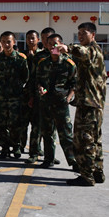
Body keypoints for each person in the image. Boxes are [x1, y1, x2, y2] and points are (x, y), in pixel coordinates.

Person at [57, 22, 107, 187]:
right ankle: (97, 172)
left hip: (89, 105)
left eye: (84, 33)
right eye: (79, 33)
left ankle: (86, 176)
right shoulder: (94, 52)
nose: (80, 36)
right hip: (92, 104)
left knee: (84, 141)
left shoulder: (92, 50)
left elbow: (82, 51)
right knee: (95, 140)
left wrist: (68, 48)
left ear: (93, 35)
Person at [35, 34, 78, 170]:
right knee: (47, 133)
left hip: (61, 103)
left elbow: (75, 83)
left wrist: (68, 98)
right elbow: (39, 81)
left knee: (66, 134)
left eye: (55, 44)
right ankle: (49, 159)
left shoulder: (69, 64)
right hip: (46, 102)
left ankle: (74, 162)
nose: (52, 46)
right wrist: (41, 89)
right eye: (49, 44)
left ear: (61, 45)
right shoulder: (43, 63)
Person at [0, 32, 29, 159]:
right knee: (0, 124)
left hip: (15, 97)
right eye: (3, 42)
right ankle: (5, 148)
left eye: (8, 42)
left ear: (14, 42)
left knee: (15, 124)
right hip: (0, 97)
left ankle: (16, 146)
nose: (6, 44)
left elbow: (25, 77)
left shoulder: (21, 59)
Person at [21, 30, 42, 158]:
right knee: (22, 123)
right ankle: (20, 146)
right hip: (24, 94)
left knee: (37, 124)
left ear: (38, 40)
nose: (30, 40)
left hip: (38, 95)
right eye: (28, 38)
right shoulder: (22, 55)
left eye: (33, 38)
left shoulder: (42, 55)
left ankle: (36, 148)